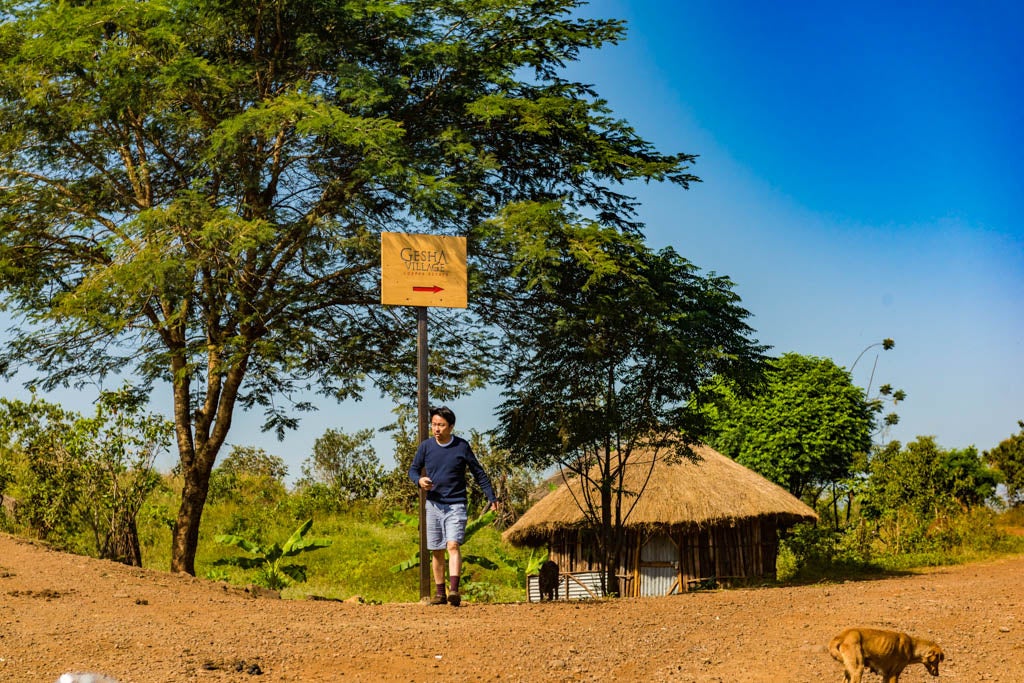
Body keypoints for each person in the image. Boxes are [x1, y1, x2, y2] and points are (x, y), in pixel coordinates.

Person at [408, 405, 499, 607]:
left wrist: (491, 497)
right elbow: (413, 470)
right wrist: (420, 480)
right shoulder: (426, 447)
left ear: (451, 426)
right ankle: (440, 594)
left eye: (441, 425)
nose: (436, 429)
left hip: (456, 504)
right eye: (434, 425)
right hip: (433, 505)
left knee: (453, 545)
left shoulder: (461, 447)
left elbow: (479, 473)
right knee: (437, 550)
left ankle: (454, 591)